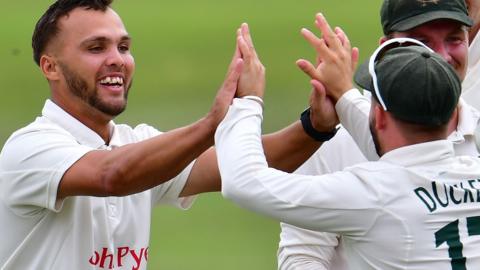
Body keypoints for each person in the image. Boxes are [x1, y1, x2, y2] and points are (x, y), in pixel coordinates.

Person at [0, 1, 323, 269]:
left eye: (124, 47)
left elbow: (247, 164)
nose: (117, 60)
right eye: (96, 48)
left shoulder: (138, 145)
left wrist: (316, 125)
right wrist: (213, 124)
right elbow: (112, 176)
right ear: (50, 67)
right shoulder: (29, 148)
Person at [216, 26, 480, 269]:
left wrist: (247, 102)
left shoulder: (373, 193)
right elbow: (389, 145)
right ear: (453, 116)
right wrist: (342, 96)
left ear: (379, 117)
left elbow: (244, 182)